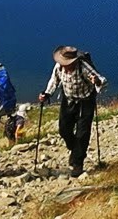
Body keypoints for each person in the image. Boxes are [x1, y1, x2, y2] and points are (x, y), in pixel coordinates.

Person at [39, 46, 107, 177]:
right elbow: (54, 81)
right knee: (63, 129)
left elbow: (102, 80)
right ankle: (76, 150)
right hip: (69, 99)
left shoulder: (84, 67)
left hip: (85, 101)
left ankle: (77, 163)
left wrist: (96, 81)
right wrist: (47, 94)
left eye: (67, 64)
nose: (65, 66)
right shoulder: (59, 67)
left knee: (82, 133)